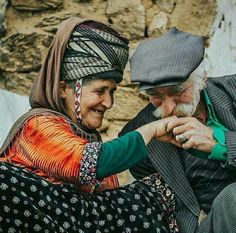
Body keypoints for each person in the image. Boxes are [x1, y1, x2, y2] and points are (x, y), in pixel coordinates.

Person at [0, 17, 180, 232]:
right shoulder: (38, 127)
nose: (109, 103)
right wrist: (152, 129)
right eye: (100, 91)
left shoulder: (87, 139)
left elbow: (108, 200)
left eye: (112, 92)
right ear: (62, 89)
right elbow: (89, 164)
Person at [120, 27, 236, 233]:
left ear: (204, 77)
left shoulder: (232, 90)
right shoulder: (141, 133)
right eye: (155, 96)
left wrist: (220, 143)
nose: (168, 109)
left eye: (178, 91)